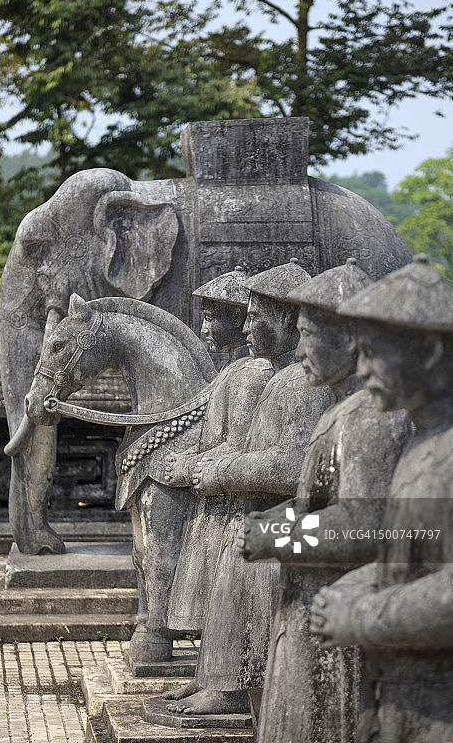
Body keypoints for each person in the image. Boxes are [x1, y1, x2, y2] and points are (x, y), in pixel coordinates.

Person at [239, 259, 411, 743]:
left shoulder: (373, 418)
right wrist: (279, 517)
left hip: (337, 618)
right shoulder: (343, 412)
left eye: (309, 334)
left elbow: (365, 524)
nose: (298, 349)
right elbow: (318, 503)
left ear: (350, 338)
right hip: (309, 607)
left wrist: (276, 534)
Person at [166, 259, 332, 725]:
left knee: (248, 589)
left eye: (257, 315)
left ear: (286, 319)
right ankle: (225, 682)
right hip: (263, 518)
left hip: (284, 520)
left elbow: (292, 463)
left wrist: (221, 472)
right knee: (233, 589)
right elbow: (253, 444)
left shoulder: (300, 385)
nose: (248, 324)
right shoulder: (280, 377)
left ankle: (233, 687)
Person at [310, 254, 453, 743]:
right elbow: (411, 550)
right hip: (401, 695)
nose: (361, 369)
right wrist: (356, 588)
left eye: (374, 351)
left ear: (432, 351)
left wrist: (359, 616)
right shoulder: (426, 442)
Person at [163, 266, 273, 633]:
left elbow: (237, 444)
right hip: (214, 499)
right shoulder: (232, 370)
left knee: (225, 606)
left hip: (230, 505)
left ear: (239, 317)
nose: (203, 328)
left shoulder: (252, 373)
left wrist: (189, 465)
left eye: (211, 317)